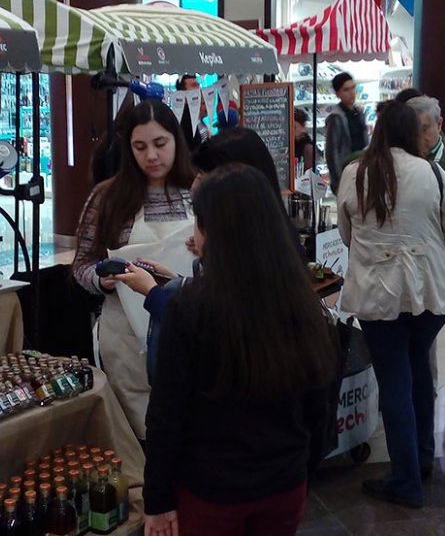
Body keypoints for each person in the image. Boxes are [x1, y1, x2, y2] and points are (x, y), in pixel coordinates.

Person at [141, 164, 337, 536]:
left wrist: (158, 499)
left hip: (210, 492)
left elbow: (167, 414)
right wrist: (304, 470)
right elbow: (320, 405)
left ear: (210, 230)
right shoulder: (301, 301)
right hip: (285, 484)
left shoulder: (191, 306)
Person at [337, 102, 445, 508]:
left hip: (377, 293)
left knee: (394, 379)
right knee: (417, 374)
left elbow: (345, 235)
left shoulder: (354, 174)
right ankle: (424, 459)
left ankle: (405, 477)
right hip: (427, 290)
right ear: (413, 132)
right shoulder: (432, 172)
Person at [113, 127, 292, 383]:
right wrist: (178, 282)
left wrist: (153, 293)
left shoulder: (254, 272)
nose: (151, 156)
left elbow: (209, 334)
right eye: (139, 147)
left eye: (204, 175)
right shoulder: (270, 249)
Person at [72, 99, 196, 439]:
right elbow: (81, 265)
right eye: (140, 147)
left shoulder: (199, 191)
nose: (152, 156)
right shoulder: (107, 197)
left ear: (176, 141)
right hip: (125, 337)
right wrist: (101, 278)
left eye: (160, 144)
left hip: (189, 333)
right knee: (139, 439)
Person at [324, 72, 368, 194]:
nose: (352, 92)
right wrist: (338, 182)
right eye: (346, 89)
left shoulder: (358, 113)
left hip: (363, 172)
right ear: (338, 93)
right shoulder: (335, 117)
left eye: (353, 87)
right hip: (346, 174)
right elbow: (331, 153)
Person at [405, 95, 445, 178]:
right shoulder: (399, 159)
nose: (418, 136)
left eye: (424, 129)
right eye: (412, 130)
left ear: (439, 124)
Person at [176, 74, 210, 151]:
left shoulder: (197, 117)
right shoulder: (183, 119)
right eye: (193, 85)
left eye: (198, 85)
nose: (198, 89)